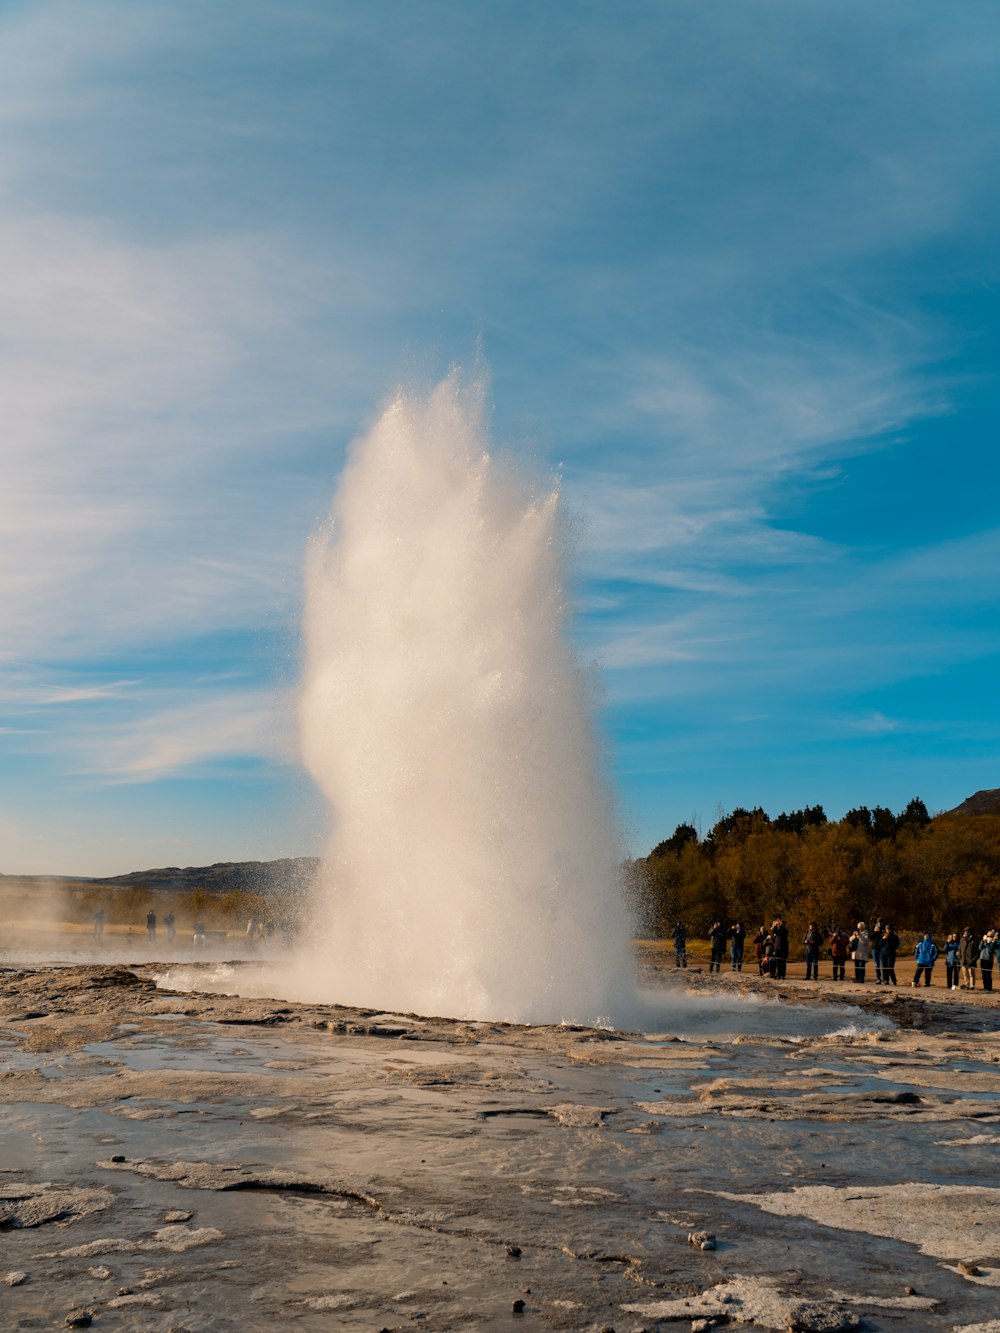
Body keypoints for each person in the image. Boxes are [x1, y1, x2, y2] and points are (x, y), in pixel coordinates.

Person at [871, 918, 885, 984]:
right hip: (874, 949)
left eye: (881, 922)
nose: (880, 924)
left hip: (882, 949)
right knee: (876, 964)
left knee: (883, 964)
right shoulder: (874, 929)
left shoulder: (884, 929)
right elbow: (870, 936)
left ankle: (885, 979)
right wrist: (875, 931)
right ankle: (878, 978)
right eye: (878, 922)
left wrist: (882, 932)